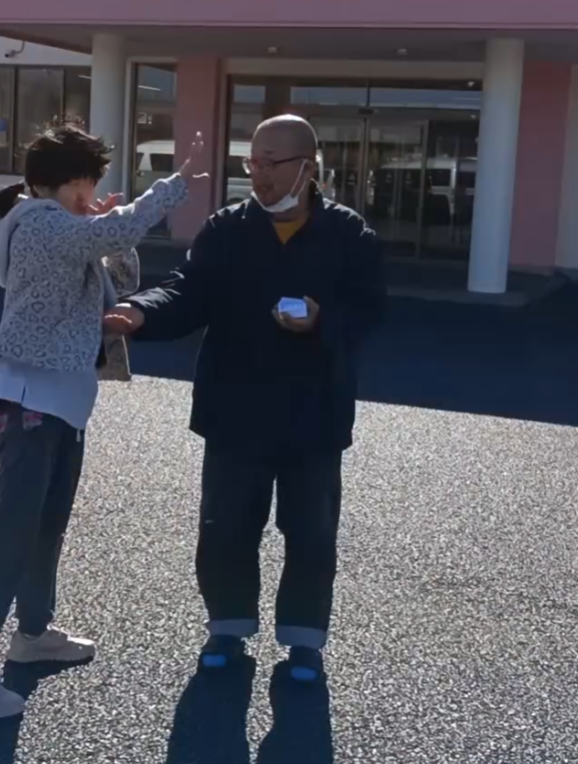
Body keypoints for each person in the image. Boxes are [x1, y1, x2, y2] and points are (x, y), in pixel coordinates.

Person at [105, 115, 385, 683]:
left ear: (308, 166)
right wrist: (139, 311)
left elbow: (371, 311)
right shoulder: (228, 227)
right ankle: (227, 629)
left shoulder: (348, 233)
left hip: (314, 414)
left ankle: (304, 643)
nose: (258, 174)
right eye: (252, 161)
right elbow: (188, 290)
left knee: (311, 534)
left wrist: (322, 321)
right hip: (235, 409)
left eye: (271, 162)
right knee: (226, 528)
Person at [0, 123, 204, 719]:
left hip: (61, 400)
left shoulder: (64, 227)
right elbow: (120, 229)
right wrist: (174, 185)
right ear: (62, 182)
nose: (93, 191)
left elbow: (123, 282)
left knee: (45, 526)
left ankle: (32, 634)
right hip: (31, 398)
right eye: (88, 181)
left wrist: (105, 234)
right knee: (13, 531)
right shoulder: (38, 222)